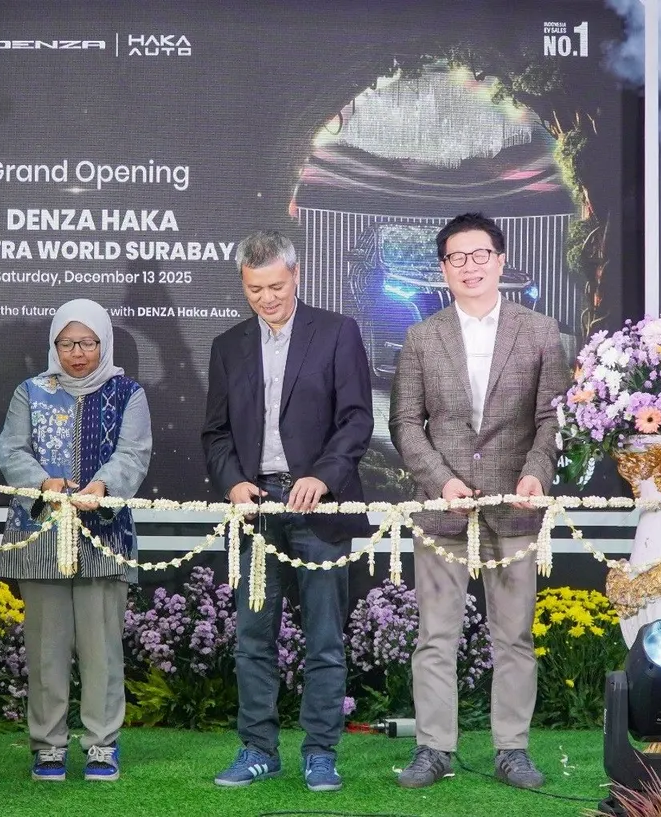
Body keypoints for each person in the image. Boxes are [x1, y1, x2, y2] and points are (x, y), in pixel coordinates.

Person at [389, 212, 571, 790]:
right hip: (441, 507)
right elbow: (404, 422)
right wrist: (441, 480)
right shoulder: (422, 335)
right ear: (443, 268)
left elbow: (552, 418)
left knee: (513, 636)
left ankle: (512, 750)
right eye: (456, 258)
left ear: (500, 260)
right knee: (435, 636)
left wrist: (537, 473)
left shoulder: (542, 331)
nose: (469, 266)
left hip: (516, 503)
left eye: (479, 255)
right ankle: (433, 748)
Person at [202, 230, 374, 793]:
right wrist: (233, 484)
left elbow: (355, 419)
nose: (267, 298)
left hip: (321, 510)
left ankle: (320, 753)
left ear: (295, 275)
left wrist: (322, 476)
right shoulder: (227, 346)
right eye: (255, 289)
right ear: (243, 285)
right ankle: (257, 749)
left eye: (276, 286)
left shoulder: (337, 333)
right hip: (255, 511)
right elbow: (216, 433)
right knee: (253, 637)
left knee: (324, 639)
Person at [0, 299, 152, 784]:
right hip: (41, 535)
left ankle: (102, 745)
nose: (77, 354)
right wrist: (45, 483)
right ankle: (48, 746)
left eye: (87, 343)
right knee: (46, 649)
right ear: (53, 345)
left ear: (103, 343)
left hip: (104, 538)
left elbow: (133, 453)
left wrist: (102, 487)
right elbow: (11, 450)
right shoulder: (30, 392)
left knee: (102, 649)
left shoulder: (128, 392)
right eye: (67, 343)